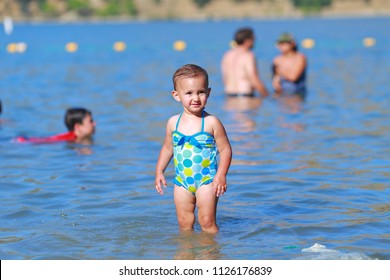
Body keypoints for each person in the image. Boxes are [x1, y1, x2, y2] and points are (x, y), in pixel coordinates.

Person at [155, 64, 232, 234]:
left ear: (208, 92)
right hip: (182, 181)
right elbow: (168, 148)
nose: (195, 98)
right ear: (176, 95)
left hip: (207, 181)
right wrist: (159, 171)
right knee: (184, 223)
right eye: (189, 93)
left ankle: (212, 255)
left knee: (207, 222)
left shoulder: (211, 122)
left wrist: (221, 175)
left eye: (201, 92)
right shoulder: (173, 122)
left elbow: (225, 150)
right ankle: (186, 256)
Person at [221, 27, 269, 98]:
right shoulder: (248, 55)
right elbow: (254, 78)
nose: (254, 41)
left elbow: (225, 79)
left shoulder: (227, 55)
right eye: (253, 39)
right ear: (247, 41)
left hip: (229, 96)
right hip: (245, 96)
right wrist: (266, 94)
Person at [15, 107, 95, 144]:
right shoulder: (70, 138)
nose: (94, 124)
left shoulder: (71, 138)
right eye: (90, 121)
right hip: (24, 141)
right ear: (77, 126)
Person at [272, 32, 307, 99]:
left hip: (297, 94)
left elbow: (293, 77)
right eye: (279, 44)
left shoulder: (300, 57)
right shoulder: (277, 59)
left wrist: (280, 71)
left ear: (292, 44)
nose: (280, 46)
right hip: (282, 94)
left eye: (283, 44)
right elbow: (275, 79)